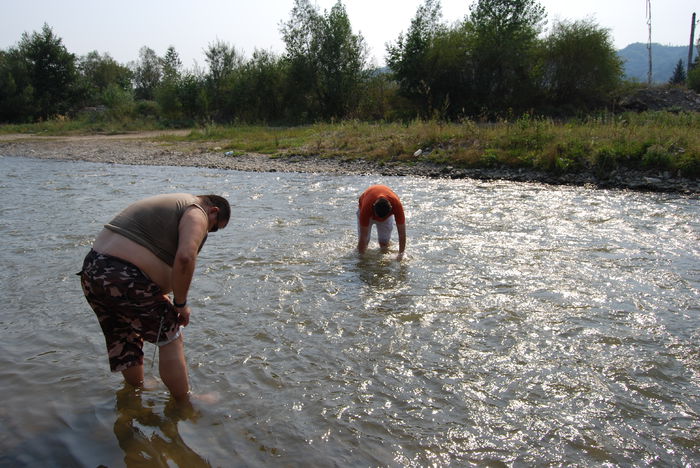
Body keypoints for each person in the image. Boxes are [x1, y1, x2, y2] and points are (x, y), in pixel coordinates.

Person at [79, 193, 230, 400]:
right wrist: (180, 303)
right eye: (214, 227)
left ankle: (134, 394)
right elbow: (185, 257)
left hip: (93, 272)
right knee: (171, 336)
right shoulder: (198, 210)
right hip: (125, 276)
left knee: (122, 334)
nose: (209, 231)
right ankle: (184, 403)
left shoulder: (174, 203)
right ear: (214, 211)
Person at [356, 184, 406, 259]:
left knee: (384, 243)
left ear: (391, 208)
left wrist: (401, 254)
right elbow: (363, 236)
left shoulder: (397, 205)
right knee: (365, 241)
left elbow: (402, 234)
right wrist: (361, 259)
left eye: (381, 219)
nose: (379, 220)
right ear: (373, 207)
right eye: (377, 217)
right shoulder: (366, 208)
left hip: (384, 212)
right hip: (367, 210)